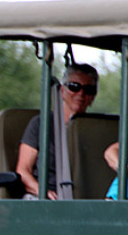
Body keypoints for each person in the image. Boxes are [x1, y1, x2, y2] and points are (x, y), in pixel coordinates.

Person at [16, 63, 98, 199]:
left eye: (88, 89)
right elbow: (23, 171)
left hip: (86, 198)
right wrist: (43, 192)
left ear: (93, 96)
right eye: (74, 87)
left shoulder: (96, 130)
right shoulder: (41, 123)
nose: (81, 94)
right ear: (62, 91)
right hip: (46, 197)